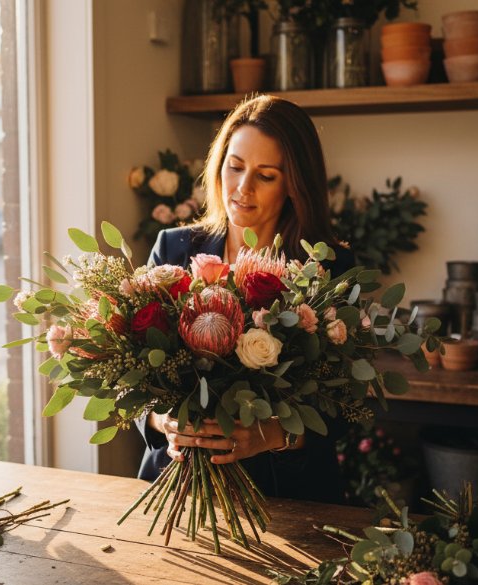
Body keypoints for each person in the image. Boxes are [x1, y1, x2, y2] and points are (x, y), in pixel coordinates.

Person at [138, 95, 355, 504]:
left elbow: (345, 406)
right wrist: (161, 419)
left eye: (266, 175)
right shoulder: (172, 249)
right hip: (177, 487)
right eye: (235, 166)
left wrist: (270, 435)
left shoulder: (329, 266)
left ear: (294, 183)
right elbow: (136, 376)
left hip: (286, 492)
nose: (242, 188)